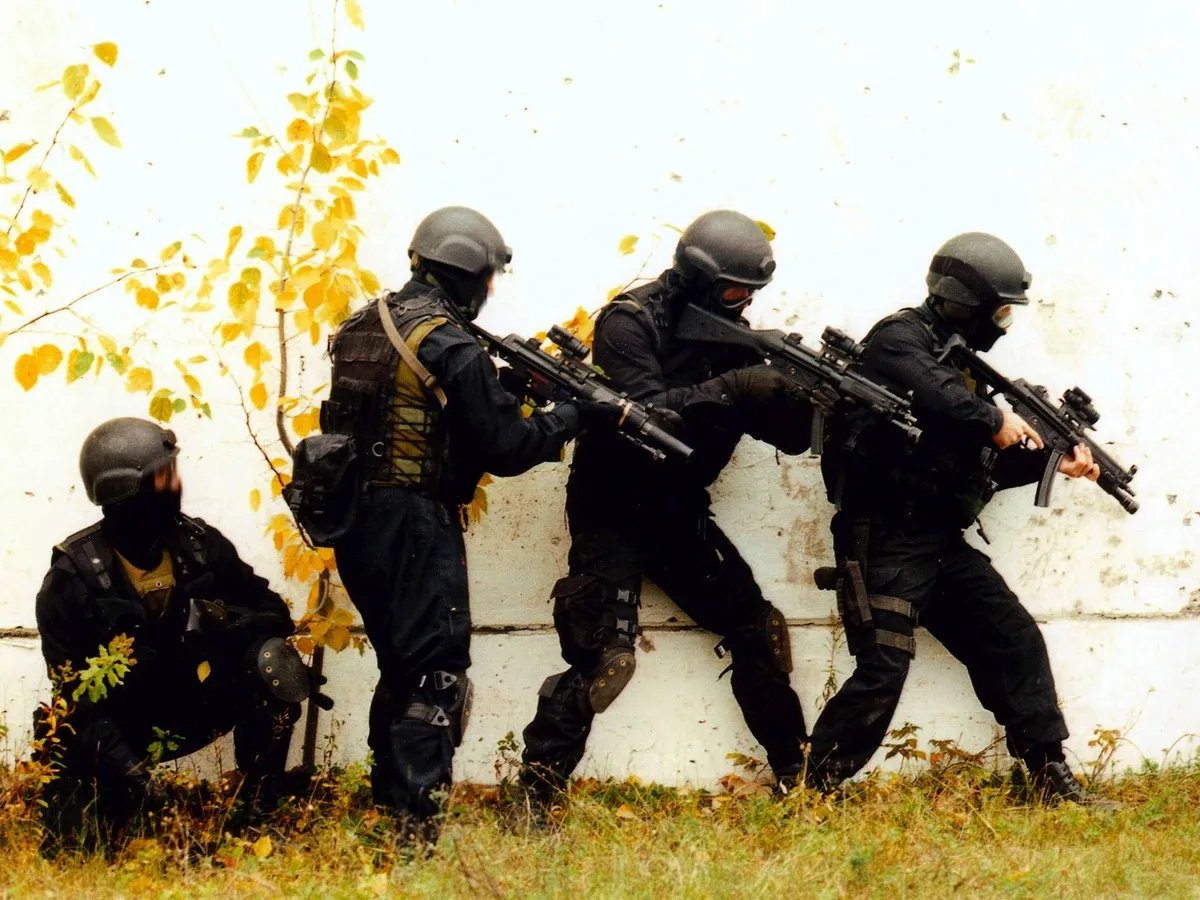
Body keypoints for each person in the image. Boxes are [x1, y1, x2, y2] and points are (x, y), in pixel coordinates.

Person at [520, 209, 821, 803]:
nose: (743, 302)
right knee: (603, 657)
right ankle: (537, 792)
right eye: (733, 291)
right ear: (700, 278)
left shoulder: (730, 336)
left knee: (756, 630)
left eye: (751, 293)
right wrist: (736, 386)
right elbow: (649, 416)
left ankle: (798, 775)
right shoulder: (630, 322)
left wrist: (801, 397)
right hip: (612, 504)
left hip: (678, 508)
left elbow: (789, 438)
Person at [806, 231, 1113, 805]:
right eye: (998, 311)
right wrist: (995, 418)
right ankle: (812, 787)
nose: (1002, 325)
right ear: (965, 302)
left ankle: (1048, 775)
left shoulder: (961, 367)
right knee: (884, 666)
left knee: (1012, 639)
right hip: (884, 537)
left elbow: (983, 468)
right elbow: (942, 397)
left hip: (938, 539)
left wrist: (1052, 460)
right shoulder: (899, 341)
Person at [325, 206, 595, 843]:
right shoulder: (449, 342)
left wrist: (508, 388)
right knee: (435, 674)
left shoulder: (364, 323)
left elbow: (415, 414)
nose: (490, 290)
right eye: (489, 277)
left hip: (355, 520)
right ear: (468, 271)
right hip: (415, 522)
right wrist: (574, 414)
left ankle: (390, 812)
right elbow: (507, 448)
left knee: (401, 665)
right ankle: (414, 835)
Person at [35, 417, 323, 854]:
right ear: (127, 489)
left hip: (194, 705)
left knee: (272, 661)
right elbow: (77, 699)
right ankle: (111, 816)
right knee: (64, 750)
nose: (175, 485)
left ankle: (259, 812)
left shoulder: (198, 545)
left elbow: (272, 612)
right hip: (124, 727)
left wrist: (223, 627)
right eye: (163, 476)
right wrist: (138, 780)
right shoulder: (71, 579)